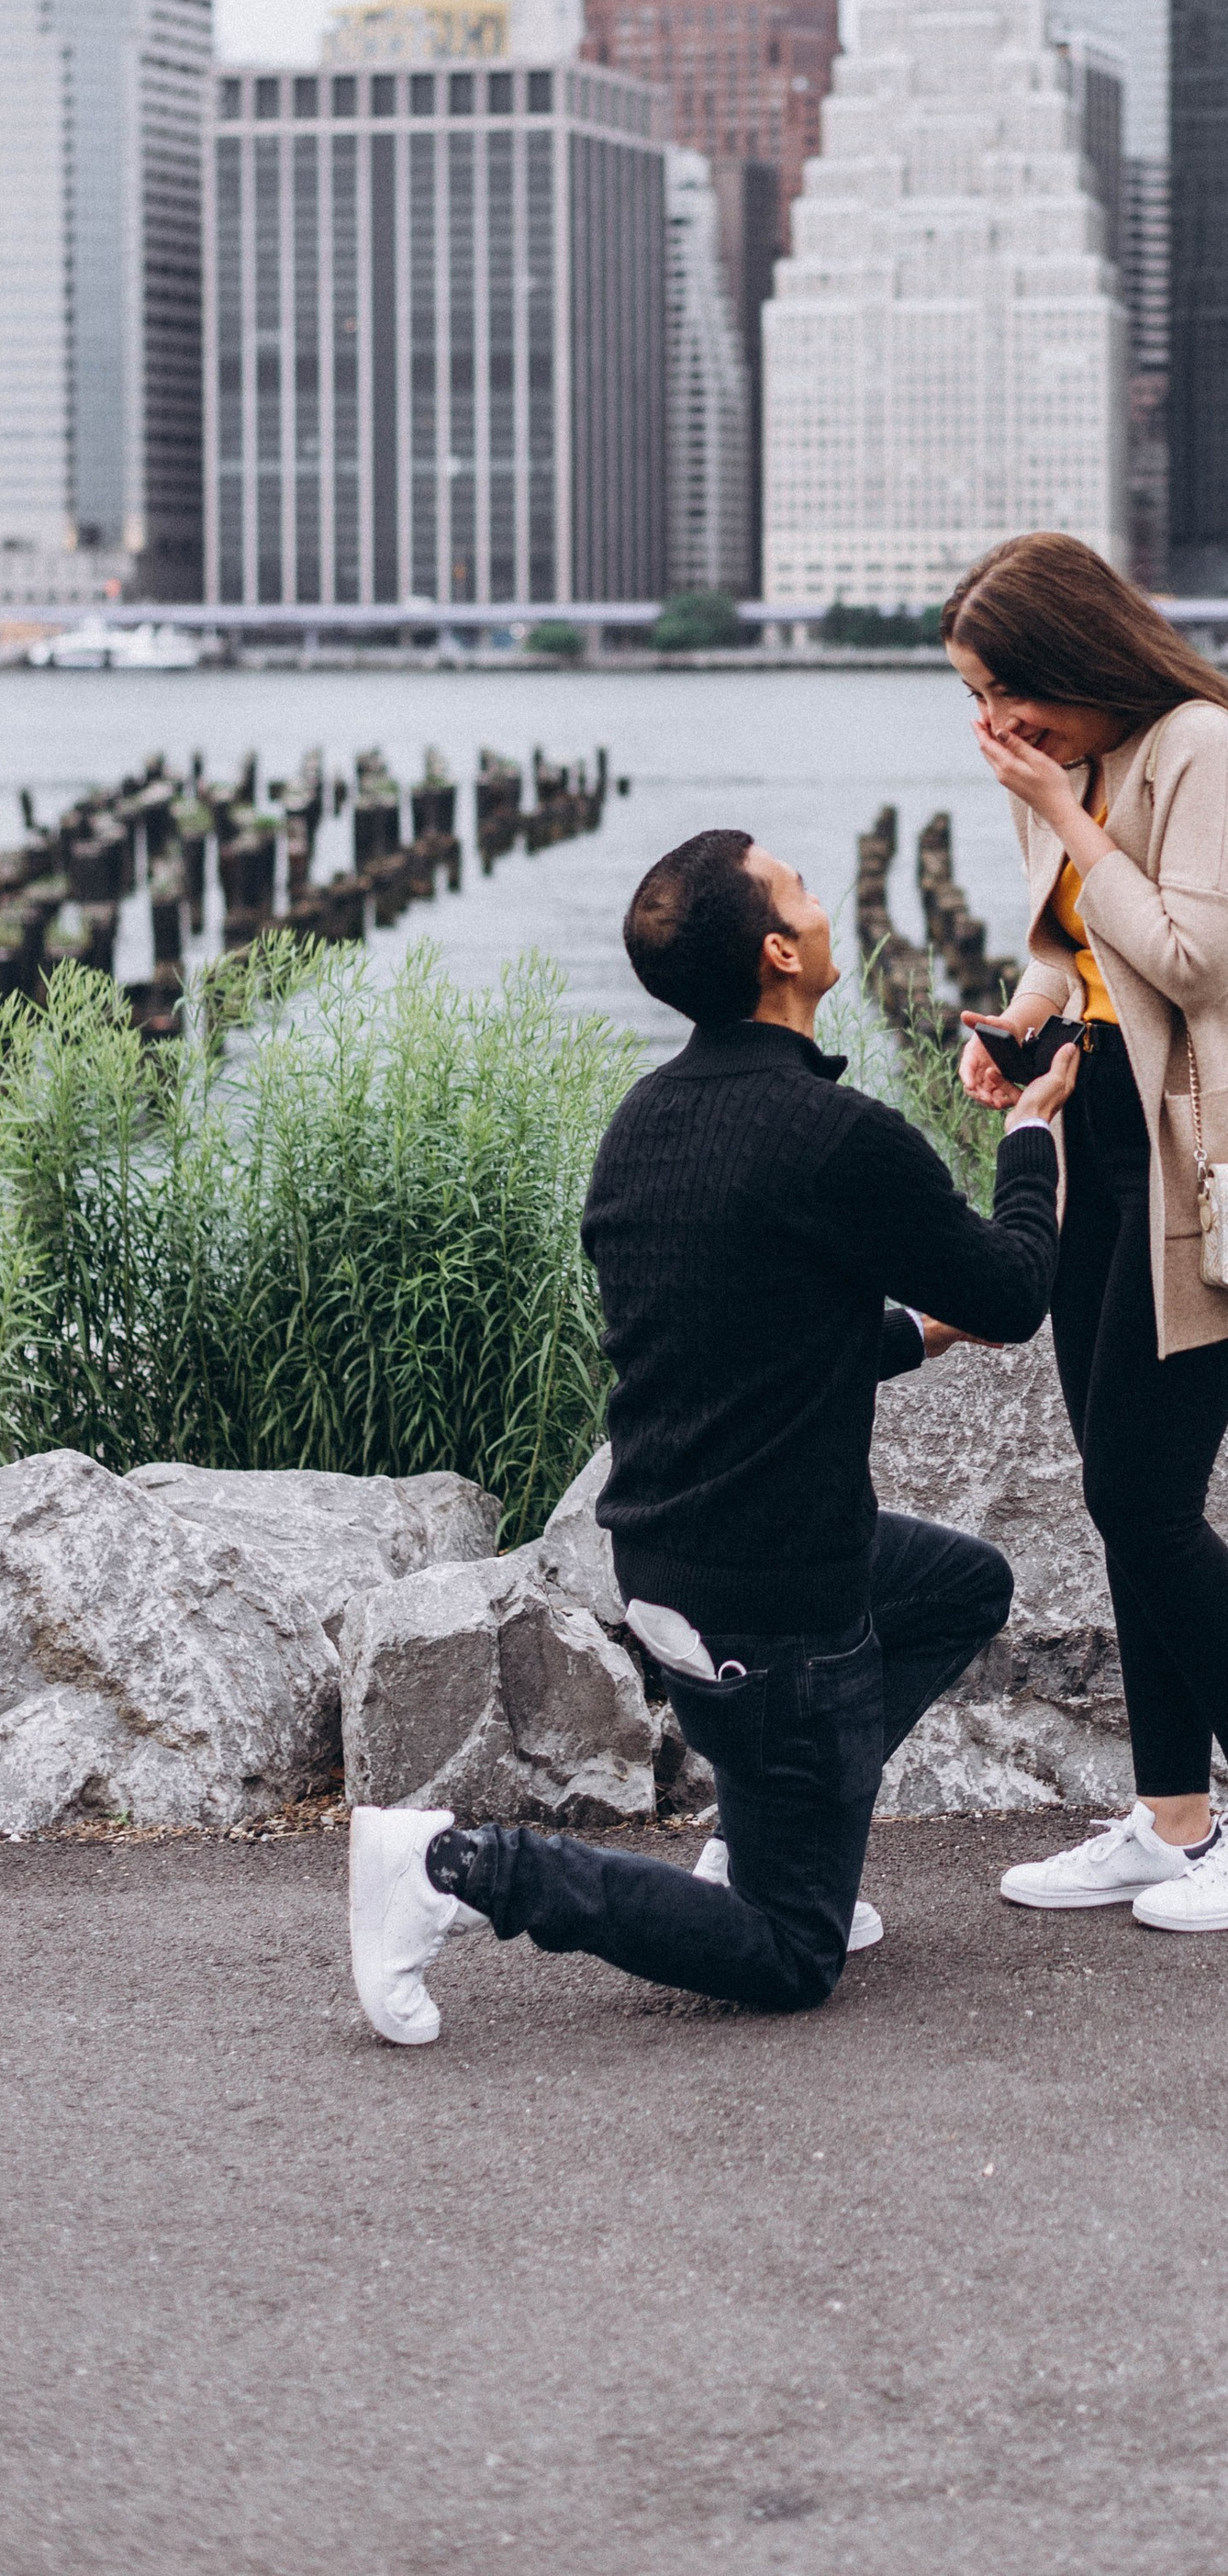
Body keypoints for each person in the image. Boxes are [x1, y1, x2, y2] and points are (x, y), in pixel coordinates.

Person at [347, 827, 1077, 2047]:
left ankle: (765, 1831)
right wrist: (1033, 1134)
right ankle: (455, 1868)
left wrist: (910, 1337)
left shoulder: (645, 1122)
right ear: (781, 953)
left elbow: (737, 1341)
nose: (820, 896)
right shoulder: (837, 1137)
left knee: (961, 1587)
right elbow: (1013, 1291)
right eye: (798, 886)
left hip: (674, 1562)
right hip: (776, 1610)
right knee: (791, 1955)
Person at [943, 532, 1228, 1936]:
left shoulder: (1200, 748)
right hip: (1099, 1143)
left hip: (1202, 1161)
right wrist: (1023, 1023)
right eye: (974, 703)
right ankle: (1176, 1818)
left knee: (1147, 1500)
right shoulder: (1073, 769)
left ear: (1073, 658)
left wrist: (1065, 813)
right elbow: (1080, 949)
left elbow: (1191, 954)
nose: (995, 728)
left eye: (1008, 692)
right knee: (1120, 1484)